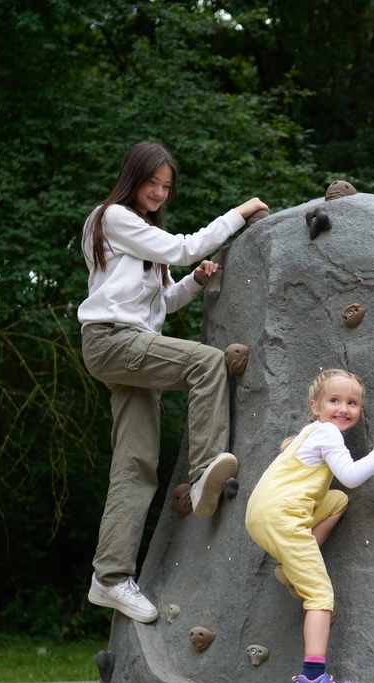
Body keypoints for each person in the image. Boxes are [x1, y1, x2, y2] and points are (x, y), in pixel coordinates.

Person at [78, 141, 268, 624]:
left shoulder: (143, 237)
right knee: (207, 363)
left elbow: (163, 303)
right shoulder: (114, 218)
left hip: (131, 346)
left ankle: (111, 577)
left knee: (136, 465)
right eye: (152, 183)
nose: (159, 193)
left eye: (166, 187)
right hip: (112, 341)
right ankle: (206, 468)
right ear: (133, 179)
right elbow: (185, 247)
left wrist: (195, 283)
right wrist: (239, 213)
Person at [245, 369, 374, 683]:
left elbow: (338, 488)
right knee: (320, 596)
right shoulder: (329, 435)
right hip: (284, 518)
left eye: (352, 402)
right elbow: (349, 476)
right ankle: (312, 680)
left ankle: (291, 569)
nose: (344, 408)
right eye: (334, 400)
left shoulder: (310, 433)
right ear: (315, 406)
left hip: (262, 516)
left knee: (336, 501)